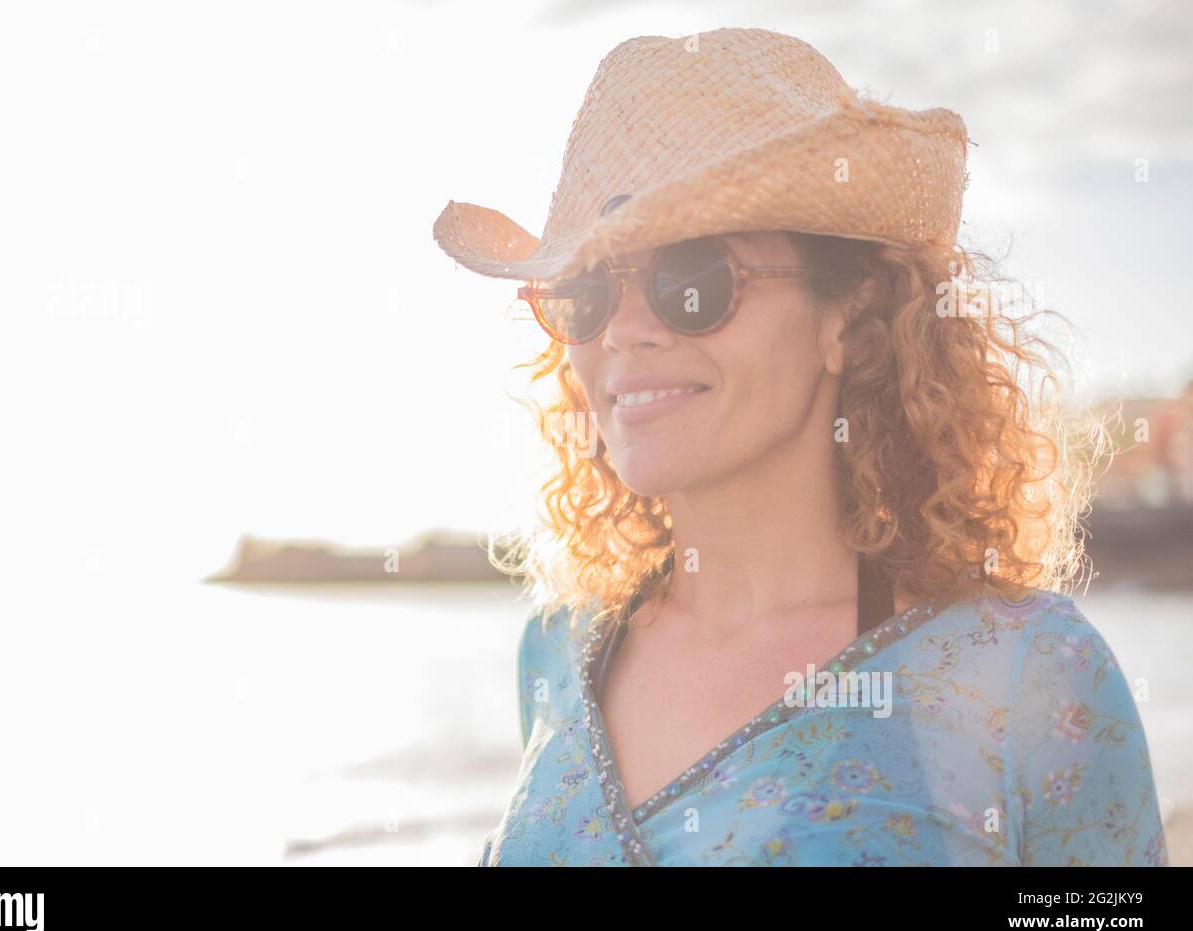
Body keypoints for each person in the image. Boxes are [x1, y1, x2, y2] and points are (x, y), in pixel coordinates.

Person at [432, 26, 1167, 867]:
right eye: (585, 294)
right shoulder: (559, 651)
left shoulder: (1027, 670)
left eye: (693, 281)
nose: (626, 332)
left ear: (849, 322)